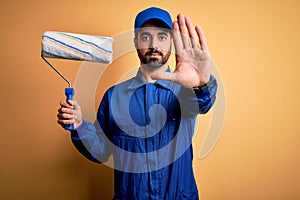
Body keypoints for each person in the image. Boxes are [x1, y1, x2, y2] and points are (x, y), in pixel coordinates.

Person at [57, 7, 218, 200]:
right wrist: (80, 126)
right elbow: (101, 151)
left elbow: (202, 102)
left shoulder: (184, 91)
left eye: (162, 37)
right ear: (135, 42)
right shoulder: (114, 96)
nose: (154, 45)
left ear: (172, 43)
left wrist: (200, 84)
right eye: (145, 37)